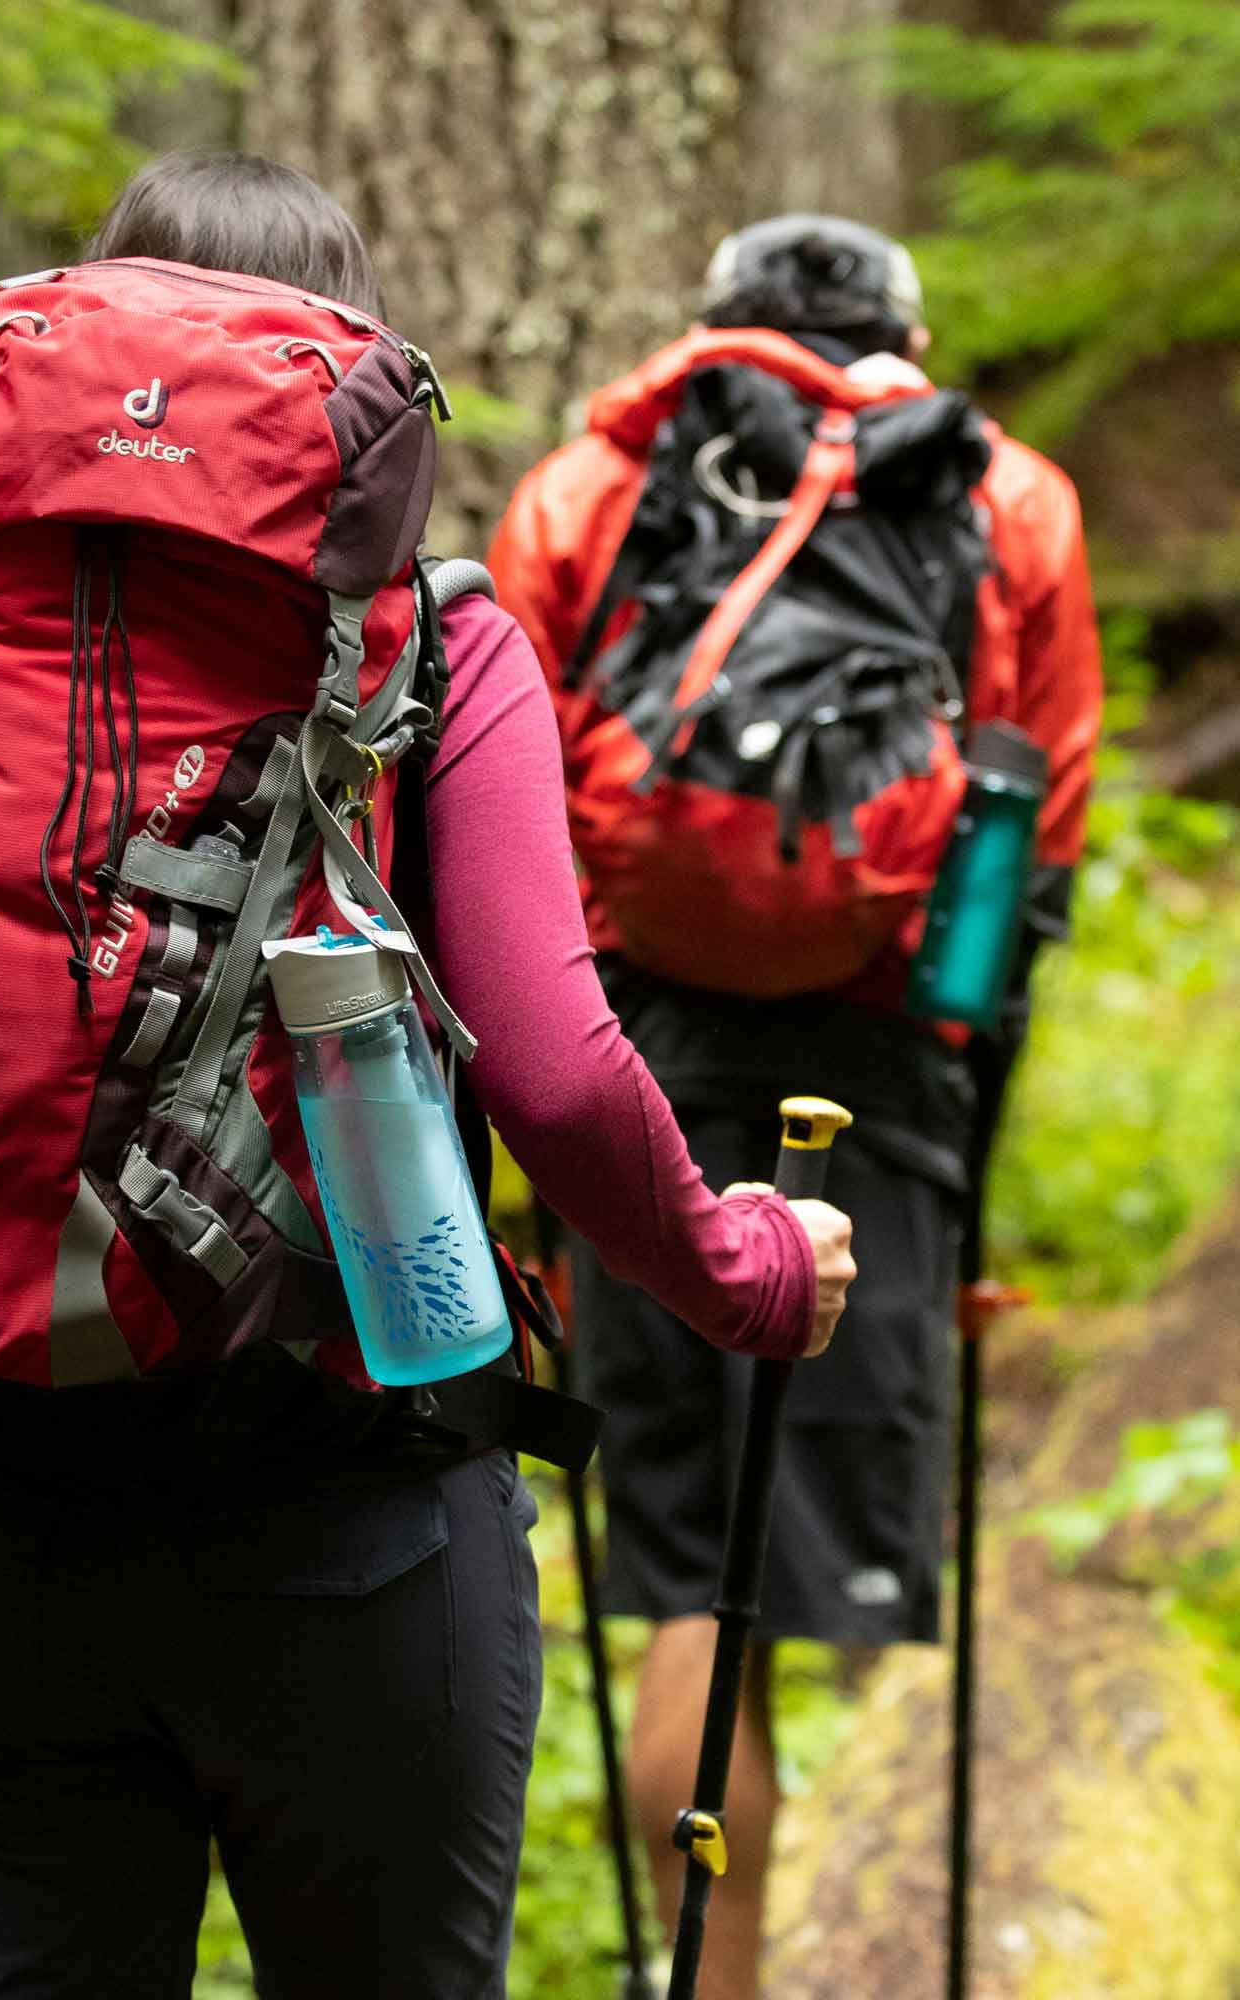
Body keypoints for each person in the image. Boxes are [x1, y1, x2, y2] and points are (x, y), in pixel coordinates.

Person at [0, 157, 854, 2000]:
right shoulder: (431, 646)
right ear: (341, 367)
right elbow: (564, 1083)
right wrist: (741, 1270)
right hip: (342, 1534)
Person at [488, 212, 1102, 2000]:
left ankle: (706, 1981)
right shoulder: (1014, 503)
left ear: (716, 332)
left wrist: (541, 1132)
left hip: (632, 1065)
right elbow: (1029, 839)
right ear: (904, 331)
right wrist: (962, 1140)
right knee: (783, 1564)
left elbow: (498, 821)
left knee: (685, 1571)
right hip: (887, 1067)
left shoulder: (588, 491)